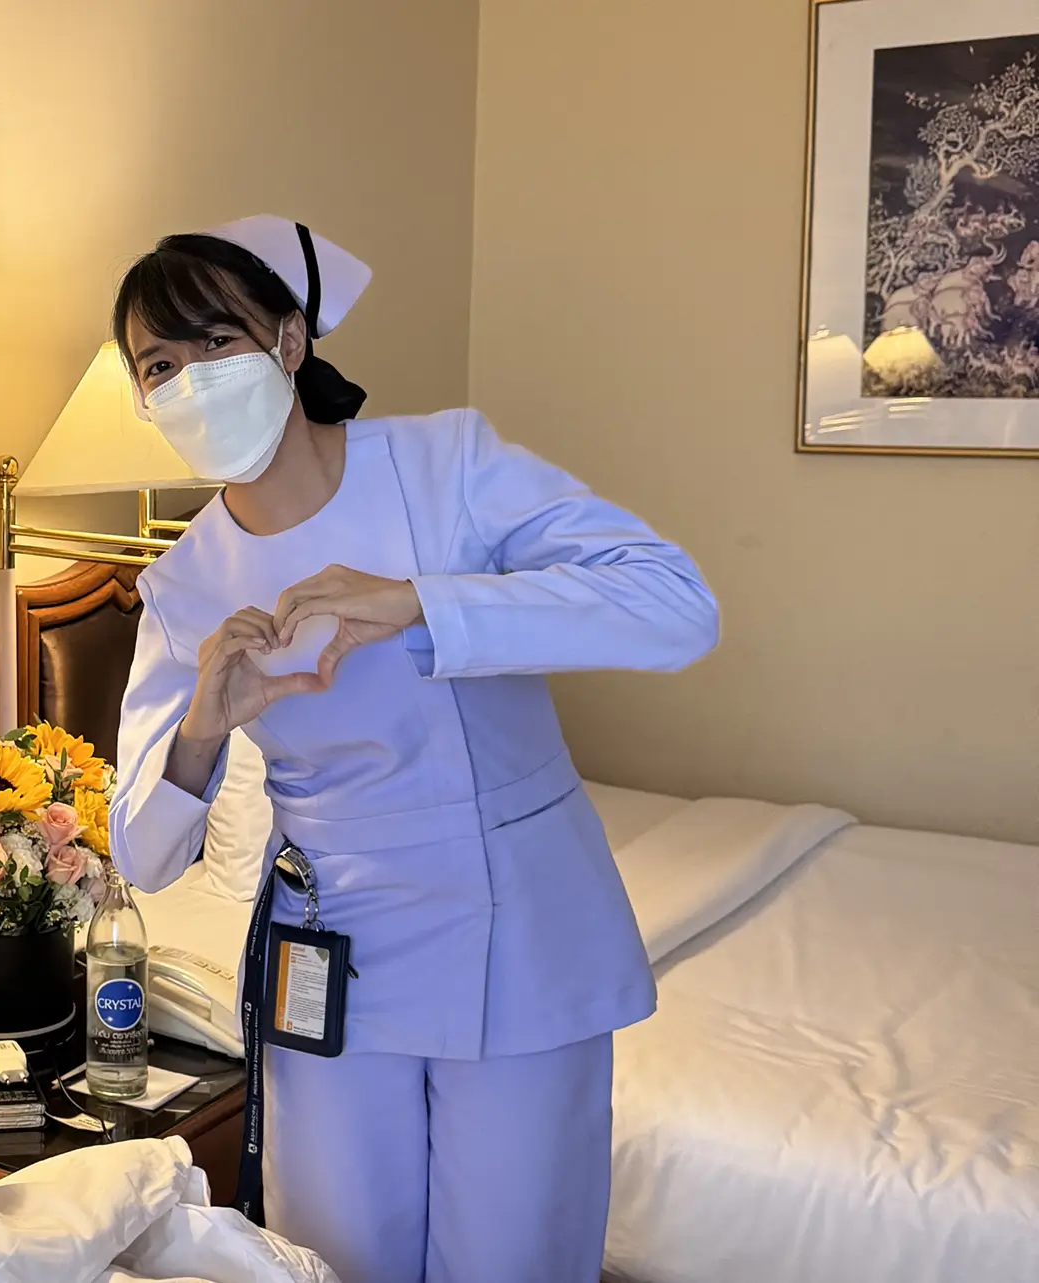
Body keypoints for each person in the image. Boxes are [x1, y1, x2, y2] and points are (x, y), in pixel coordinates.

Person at [106, 216, 718, 1283]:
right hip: (326, 950)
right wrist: (208, 718)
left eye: (218, 343)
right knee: (334, 1256)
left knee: (512, 1253)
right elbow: (142, 856)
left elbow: (676, 607)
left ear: (290, 341)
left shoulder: (446, 467)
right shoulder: (185, 580)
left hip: (518, 924)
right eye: (159, 364)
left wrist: (417, 605)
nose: (191, 381)